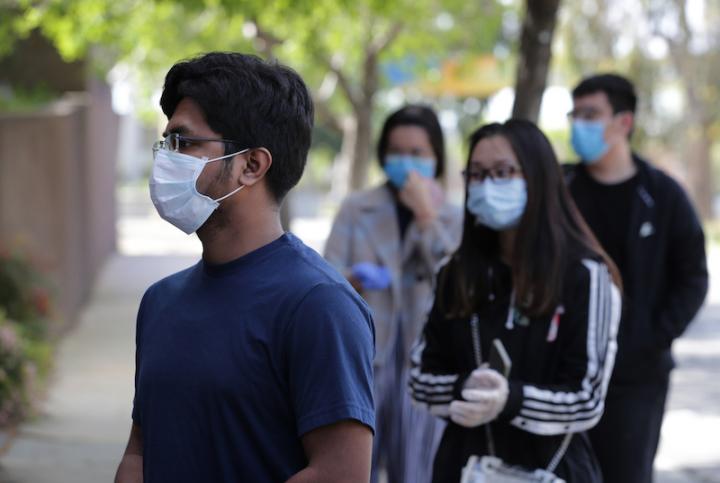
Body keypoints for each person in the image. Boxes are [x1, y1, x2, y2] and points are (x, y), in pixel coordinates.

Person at [114, 52, 375, 483]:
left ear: (251, 165)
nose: (166, 159)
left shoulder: (319, 305)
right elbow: (141, 451)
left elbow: (338, 473)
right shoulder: (160, 301)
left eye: (185, 142)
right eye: (166, 144)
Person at [409, 120, 623, 483]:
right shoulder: (455, 273)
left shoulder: (585, 276)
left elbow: (586, 398)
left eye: (503, 172)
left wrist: (510, 400)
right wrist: (467, 388)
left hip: (552, 470)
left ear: (538, 178)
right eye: (476, 174)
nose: (488, 185)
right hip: (463, 468)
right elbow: (420, 379)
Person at [566, 73, 709, 483]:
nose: (580, 124)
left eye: (591, 114)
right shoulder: (561, 187)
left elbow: (693, 278)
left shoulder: (662, 195)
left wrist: (650, 339)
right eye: (574, 114)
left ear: (623, 122)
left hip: (636, 378)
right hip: (563, 373)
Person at [324, 105, 462, 483]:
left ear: (436, 156)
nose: (407, 162)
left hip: (426, 364)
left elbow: (462, 287)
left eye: (418, 152)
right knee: (353, 467)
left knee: (418, 470)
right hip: (366, 361)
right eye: (397, 152)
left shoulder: (453, 218)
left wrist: (426, 218)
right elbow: (324, 276)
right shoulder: (357, 209)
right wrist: (353, 278)